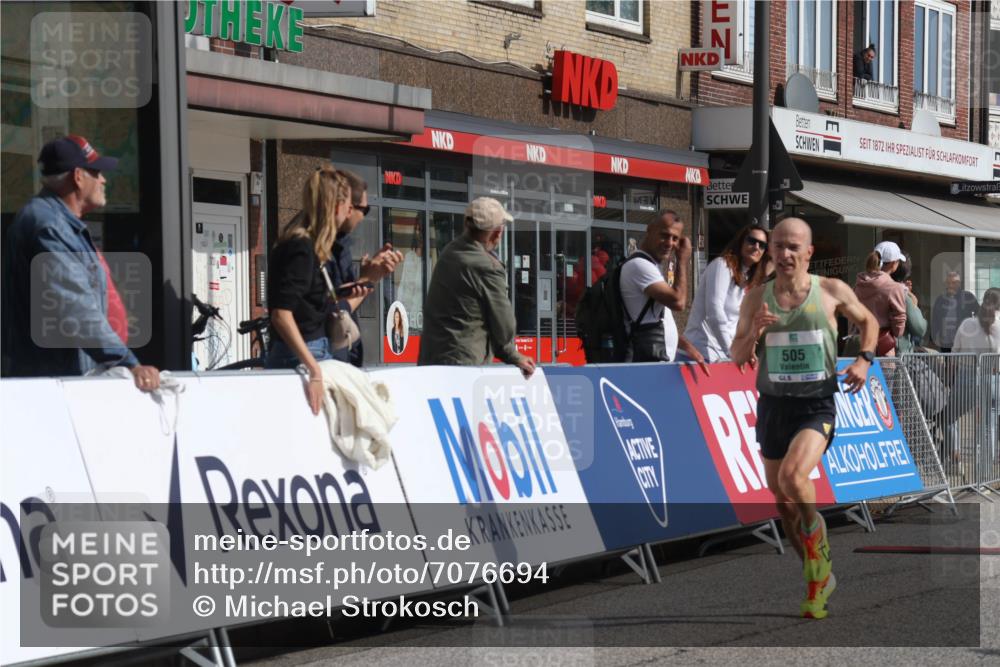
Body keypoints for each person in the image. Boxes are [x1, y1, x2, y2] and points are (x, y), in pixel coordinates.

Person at [731, 217, 878, 620]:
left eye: (794, 246)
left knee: (795, 478)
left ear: (809, 253)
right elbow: (737, 355)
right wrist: (754, 334)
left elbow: (869, 322)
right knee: (782, 500)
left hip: (817, 405)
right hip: (774, 406)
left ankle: (818, 540)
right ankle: (816, 577)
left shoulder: (830, 291)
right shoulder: (757, 297)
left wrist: (865, 360)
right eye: (778, 246)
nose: (785, 253)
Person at [1, 135, 160, 392]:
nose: (103, 180)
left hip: (62, 381)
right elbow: (75, 308)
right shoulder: (48, 225)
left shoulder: (61, 223)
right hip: (50, 388)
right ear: (78, 177)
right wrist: (128, 363)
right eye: (96, 173)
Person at [267, 166, 359, 414]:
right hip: (304, 355)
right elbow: (281, 314)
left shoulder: (307, 245)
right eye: (348, 203)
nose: (351, 211)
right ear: (336, 206)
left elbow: (302, 303)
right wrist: (314, 371)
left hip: (309, 351)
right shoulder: (301, 248)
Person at [418, 197, 535, 378]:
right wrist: (513, 354)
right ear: (497, 233)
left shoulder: (449, 252)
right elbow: (504, 328)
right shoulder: (488, 267)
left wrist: (512, 355)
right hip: (464, 365)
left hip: (431, 361)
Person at [327, 169, 402, 367]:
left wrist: (366, 278)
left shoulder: (340, 245)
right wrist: (369, 280)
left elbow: (340, 302)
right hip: (325, 357)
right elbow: (331, 310)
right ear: (344, 206)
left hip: (339, 354)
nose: (360, 216)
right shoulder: (317, 247)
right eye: (364, 210)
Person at [617, 210, 706, 368]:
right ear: (649, 230)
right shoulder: (639, 265)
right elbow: (678, 302)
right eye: (664, 235)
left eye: (675, 238)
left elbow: (659, 320)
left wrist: (688, 348)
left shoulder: (652, 265)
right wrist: (683, 261)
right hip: (645, 365)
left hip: (656, 362)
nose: (669, 243)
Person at [683, 224, 769, 362]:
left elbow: (736, 323)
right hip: (701, 353)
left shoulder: (747, 278)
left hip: (721, 356)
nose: (756, 247)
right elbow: (715, 312)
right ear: (741, 241)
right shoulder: (721, 266)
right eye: (752, 241)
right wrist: (732, 351)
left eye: (763, 245)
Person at [853, 241, 907, 356]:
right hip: (882, 347)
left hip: (859, 343)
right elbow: (899, 324)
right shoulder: (894, 287)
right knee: (884, 374)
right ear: (893, 263)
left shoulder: (859, 283)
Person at [931, 271, 980, 352]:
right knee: (948, 364)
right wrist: (932, 339)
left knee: (961, 363)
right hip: (945, 342)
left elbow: (979, 313)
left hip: (963, 340)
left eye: (954, 283)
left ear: (959, 283)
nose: (951, 285)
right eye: (948, 283)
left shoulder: (968, 296)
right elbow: (935, 321)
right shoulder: (940, 299)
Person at [889, 252, 927, 353]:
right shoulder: (902, 295)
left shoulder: (869, 286)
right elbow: (920, 328)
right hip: (897, 356)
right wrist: (914, 304)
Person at [953, 287, 1000, 354]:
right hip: (990, 364)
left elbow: (954, 352)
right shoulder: (998, 326)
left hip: (963, 364)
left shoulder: (966, 323)